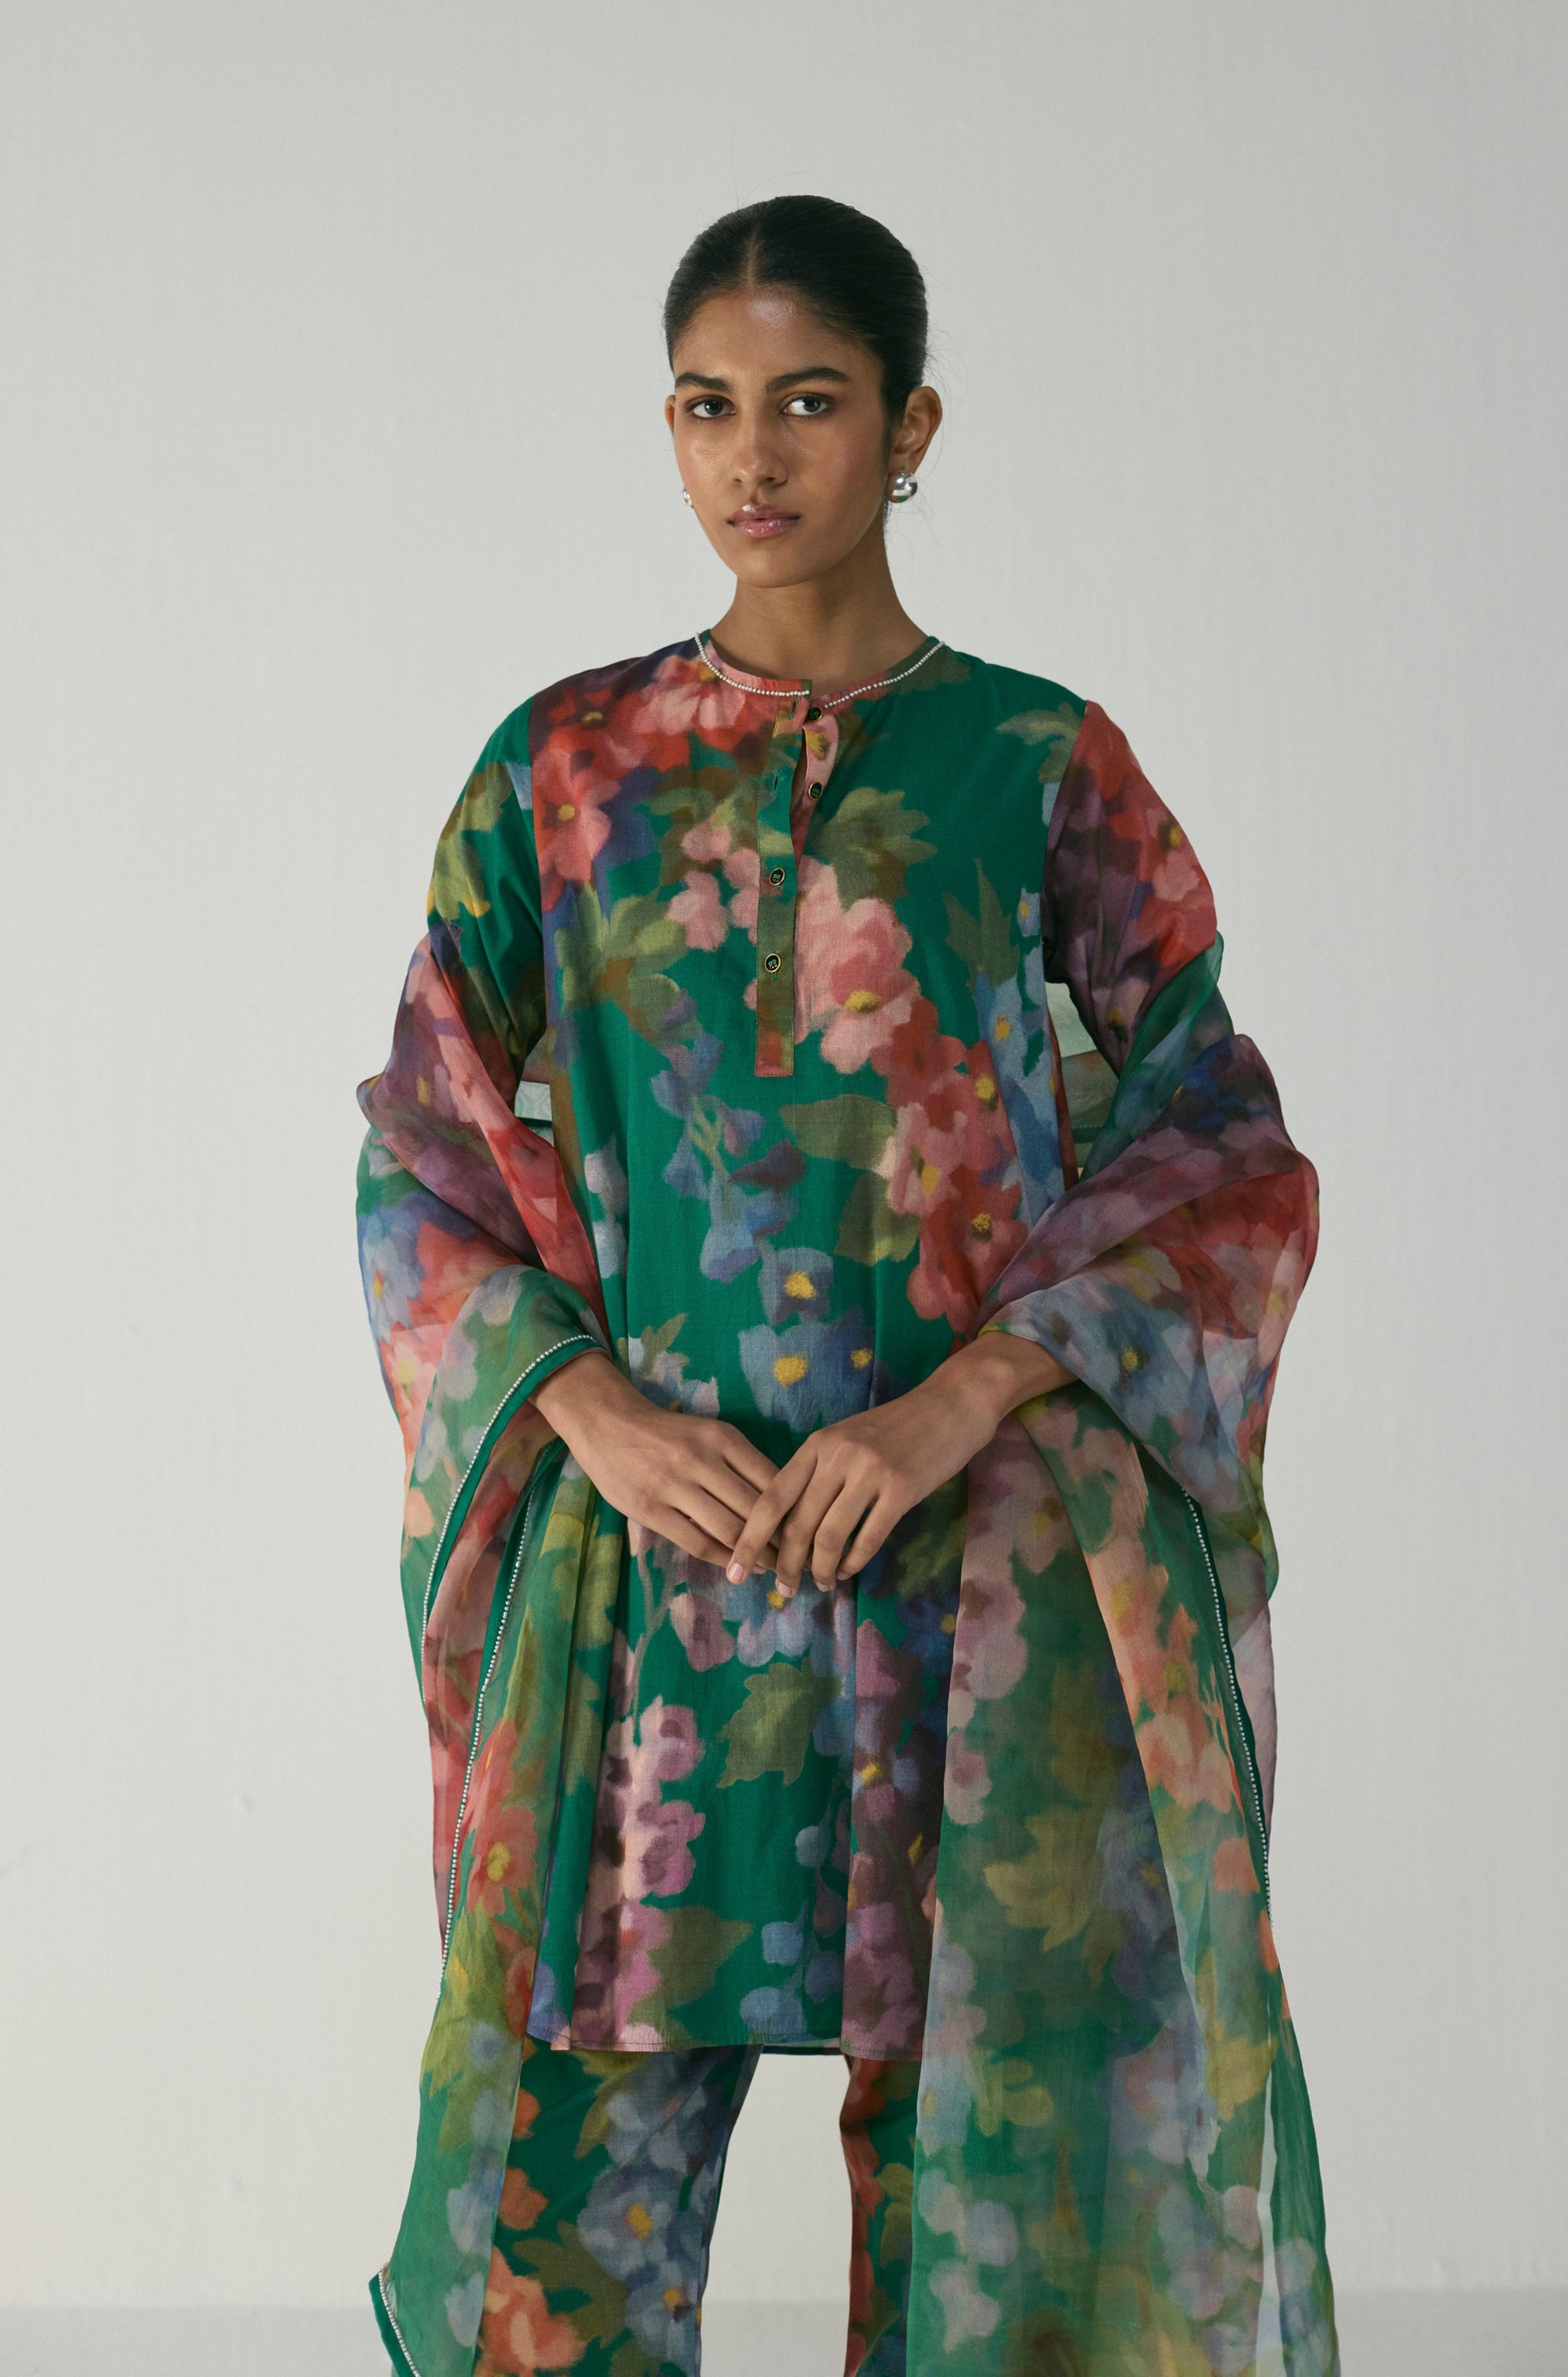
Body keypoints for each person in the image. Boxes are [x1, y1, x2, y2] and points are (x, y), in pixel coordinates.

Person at [356, 194, 1337, 2377]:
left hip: (979, 1588)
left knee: (997, 2186)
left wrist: (963, 1399)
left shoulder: (1037, 763)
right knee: (558, 2212)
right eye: (708, 405)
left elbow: (1218, 1143)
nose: (754, 455)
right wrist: (591, 1412)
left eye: (808, 400)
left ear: (912, 425)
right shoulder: (563, 771)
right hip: (654, 1590)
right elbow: (425, 1137)